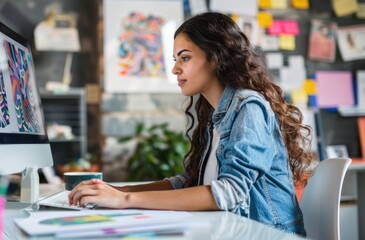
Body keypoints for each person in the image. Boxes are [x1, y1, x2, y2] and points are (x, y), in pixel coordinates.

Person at [68, 12, 313, 236]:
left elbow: (228, 193)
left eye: (185, 58)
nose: (175, 69)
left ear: (215, 58)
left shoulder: (248, 107)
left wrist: (125, 200)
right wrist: (116, 191)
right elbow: (186, 183)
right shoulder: (215, 113)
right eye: (175, 59)